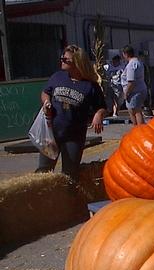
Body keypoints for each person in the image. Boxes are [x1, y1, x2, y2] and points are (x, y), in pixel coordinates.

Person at [35, 45, 106, 181]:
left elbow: (102, 107)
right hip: (52, 133)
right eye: (62, 58)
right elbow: (45, 92)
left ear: (77, 63)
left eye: (65, 60)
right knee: (43, 171)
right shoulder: (57, 77)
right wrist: (46, 102)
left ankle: (68, 195)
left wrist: (98, 115)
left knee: (69, 175)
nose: (62, 61)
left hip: (74, 136)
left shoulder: (90, 86)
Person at [121, 45, 147, 125]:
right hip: (141, 89)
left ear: (125, 54)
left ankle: (138, 129)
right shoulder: (139, 62)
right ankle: (140, 128)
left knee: (134, 112)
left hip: (134, 92)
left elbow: (131, 81)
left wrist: (126, 93)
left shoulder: (131, 65)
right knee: (137, 110)